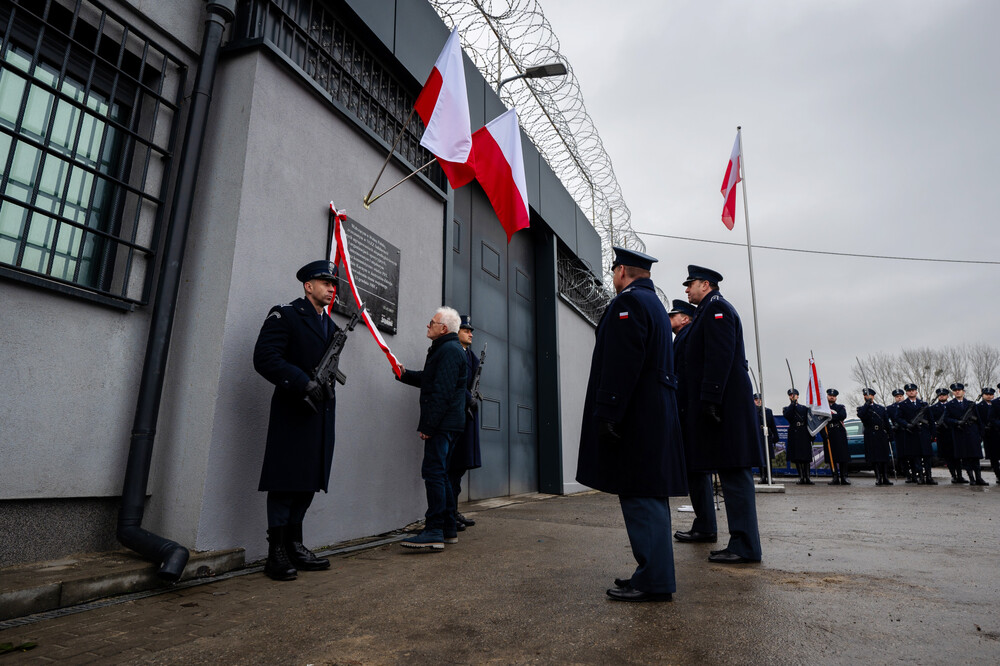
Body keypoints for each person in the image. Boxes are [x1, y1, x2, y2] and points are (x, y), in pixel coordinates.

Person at [576, 247, 687, 602]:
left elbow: (622, 362)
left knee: (641, 495)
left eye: (614, 272)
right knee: (649, 495)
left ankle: (653, 580)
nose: (613, 278)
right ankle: (652, 573)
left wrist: (608, 411)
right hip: (652, 414)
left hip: (637, 416)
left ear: (622, 270)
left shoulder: (630, 302)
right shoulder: (653, 304)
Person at [253, 260, 342, 581]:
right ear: (308, 286)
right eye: (325, 283)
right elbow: (265, 357)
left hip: (319, 413)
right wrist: (302, 381)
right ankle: (276, 551)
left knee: (308, 481)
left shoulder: (331, 327)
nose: (331, 288)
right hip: (293, 409)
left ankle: (294, 544)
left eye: (334, 284)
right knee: (285, 481)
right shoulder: (286, 314)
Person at [680, 265, 762, 565]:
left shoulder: (717, 309)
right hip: (723, 403)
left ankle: (745, 546)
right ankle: (741, 542)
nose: (686, 289)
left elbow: (720, 355)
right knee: (730, 473)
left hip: (728, 405)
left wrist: (711, 398)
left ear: (705, 284)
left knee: (735, 473)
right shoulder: (707, 310)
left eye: (690, 284)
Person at [396, 307, 468, 549]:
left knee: (434, 473)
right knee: (441, 474)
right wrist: (404, 374)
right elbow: (430, 379)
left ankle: (434, 530)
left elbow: (442, 392)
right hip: (448, 423)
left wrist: (429, 425)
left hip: (443, 424)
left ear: (444, 328)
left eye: (432, 322)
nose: (428, 325)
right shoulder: (446, 349)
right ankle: (447, 529)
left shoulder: (449, 350)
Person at [669, 299, 717, 547]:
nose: (669, 319)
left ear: (685, 318)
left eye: (673, 315)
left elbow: (685, 378)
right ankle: (705, 524)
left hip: (690, 414)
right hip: (689, 413)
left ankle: (706, 526)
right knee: (696, 473)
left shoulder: (687, 337)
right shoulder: (683, 338)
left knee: (697, 473)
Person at [451, 315, 482, 531]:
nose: (470, 334)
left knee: (460, 467)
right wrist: (467, 397)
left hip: (468, 417)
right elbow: (454, 383)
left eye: (471, 331)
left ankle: (453, 510)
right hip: (455, 416)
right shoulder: (453, 353)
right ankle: (449, 513)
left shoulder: (473, 358)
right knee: (452, 467)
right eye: (465, 330)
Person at [945, 383, 987, 486]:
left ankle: (979, 478)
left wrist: (981, 433)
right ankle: (971, 478)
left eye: (959, 390)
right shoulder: (949, 405)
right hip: (960, 434)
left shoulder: (971, 404)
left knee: (975, 457)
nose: (957, 392)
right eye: (955, 391)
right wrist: (957, 422)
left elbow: (978, 419)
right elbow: (946, 419)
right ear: (953, 393)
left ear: (963, 392)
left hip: (972, 433)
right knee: (965, 457)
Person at [895, 383, 934, 484]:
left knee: (927, 456)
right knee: (916, 457)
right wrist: (907, 425)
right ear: (907, 393)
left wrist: (933, 433)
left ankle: (929, 477)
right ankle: (920, 477)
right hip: (912, 434)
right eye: (909, 391)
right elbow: (898, 418)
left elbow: (930, 419)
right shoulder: (902, 405)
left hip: (924, 433)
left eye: (913, 390)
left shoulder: (924, 404)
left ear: (916, 392)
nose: (911, 392)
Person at [856, 388, 894, 485]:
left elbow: (886, 422)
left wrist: (890, 434)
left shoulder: (880, 408)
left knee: (884, 457)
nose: (867, 397)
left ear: (873, 396)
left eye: (869, 395)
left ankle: (885, 477)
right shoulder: (862, 408)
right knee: (874, 458)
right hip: (870, 435)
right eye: (865, 395)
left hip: (881, 434)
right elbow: (861, 415)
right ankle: (878, 477)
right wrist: (867, 404)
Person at [929, 388, 963, 483]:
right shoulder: (933, 408)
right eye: (940, 395)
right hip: (942, 435)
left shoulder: (952, 405)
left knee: (957, 456)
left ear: (947, 396)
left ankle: (960, 476)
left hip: (954, 433)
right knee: (948, 457)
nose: (942, 396)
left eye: (943, 395)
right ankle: (953, 475)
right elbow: (931, 421)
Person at [821, 389, 851, 485]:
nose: (832, 397)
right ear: (827, 396)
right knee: (831, 456)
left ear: (836, 398)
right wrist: (823, 433)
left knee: (842, 456)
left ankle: (844, 477)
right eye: (830, 395)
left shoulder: (840, 407)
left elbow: (842, 416)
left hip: (839, 433)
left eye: (833, 396)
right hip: (829, 433)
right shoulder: (823, 409)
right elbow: (820, 421)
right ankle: (835, 477)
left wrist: (828, 417)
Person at [784, 389, 814, 485]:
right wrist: (793, 404)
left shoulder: (804, 408)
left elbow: (810, 421)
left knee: (806, 456)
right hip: (794, 433)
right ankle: (801, 477)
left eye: (794, 395)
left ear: (798, 396)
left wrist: (812, 434)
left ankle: (807, 477)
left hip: (804, 432)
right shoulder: (787, 408)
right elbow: (788, 415)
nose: (792, 396)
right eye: (791, 395)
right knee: (797, 456)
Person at [753, 394, 778, 484]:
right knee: (761, 457)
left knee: (768, 457)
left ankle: (769, 476)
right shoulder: (752, 411)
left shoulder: (768, 411)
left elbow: (773, 425)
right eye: (756, 399)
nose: (758, 401)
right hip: (758, 436)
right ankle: (763, 476)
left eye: (760, 399)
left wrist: (775, 436)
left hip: (767, 436)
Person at [981, 388, 1000, 484]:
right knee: (995, 456)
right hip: (996, 433)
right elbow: (991, 418)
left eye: (990, 394)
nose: (988, 396)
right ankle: (998, 475)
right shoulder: (995, 403)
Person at [885, 388, 906, 475]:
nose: (899, 398)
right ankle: (902, 470)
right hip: (897, 433)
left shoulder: (907, 405)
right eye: (897, 396)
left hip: (908, 432)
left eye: (901, 396)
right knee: (899, 454)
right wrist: (892, 427)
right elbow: (886, 420)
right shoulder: (890, 408)